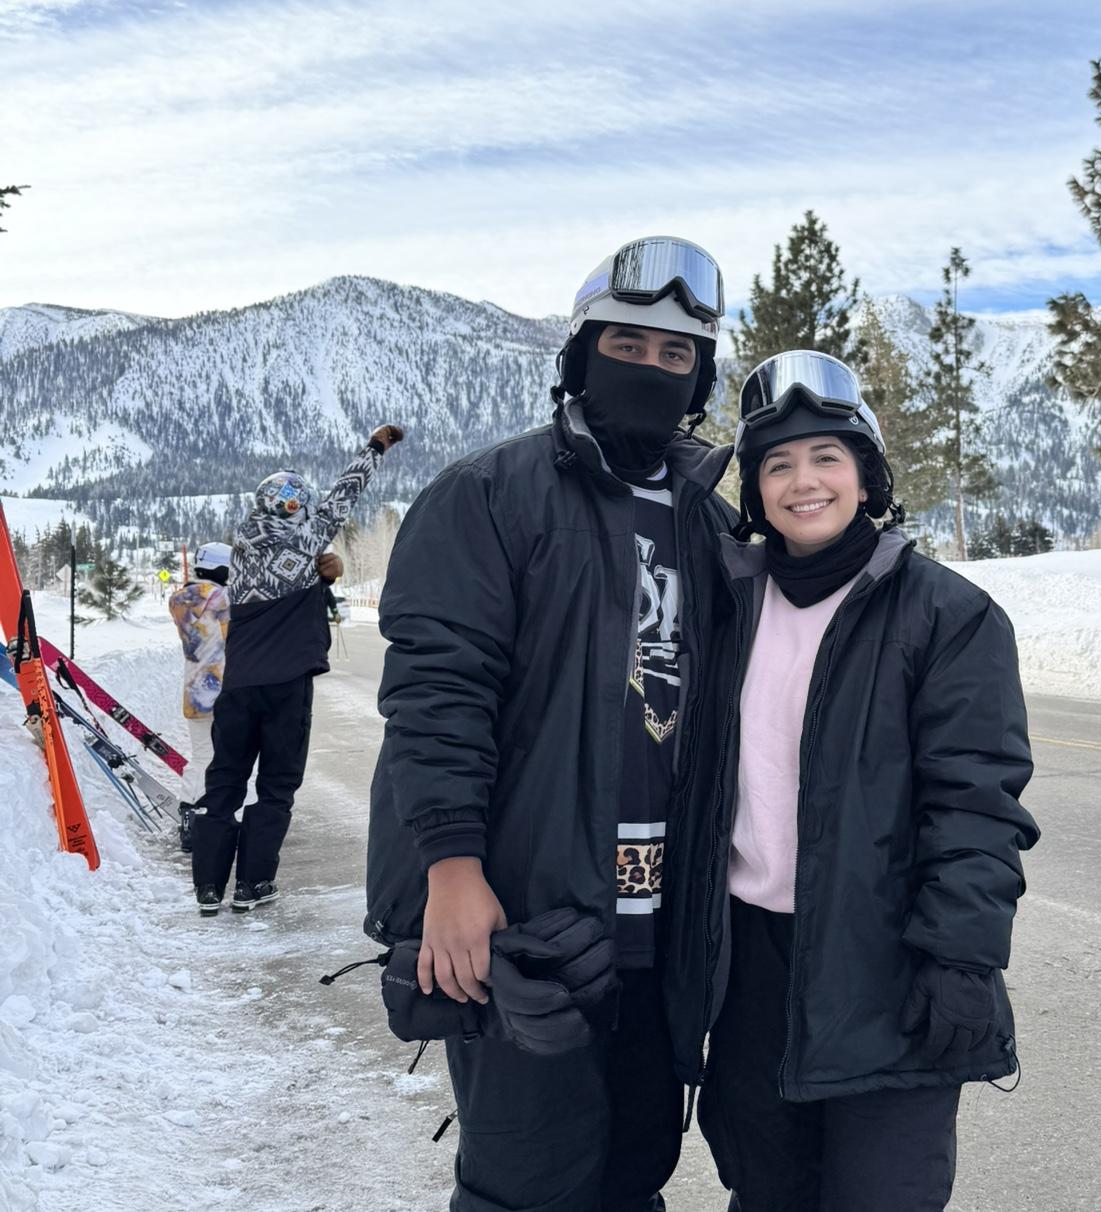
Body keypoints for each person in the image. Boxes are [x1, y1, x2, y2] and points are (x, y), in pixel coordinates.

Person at [365, 236, 734, 1212]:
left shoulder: (709, 521)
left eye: (675, 355)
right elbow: (437, 694)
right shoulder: (491, 495)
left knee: (633, 1172)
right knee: (525, 1186)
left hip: (661, 927)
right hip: (530, 912)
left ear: (699, 381)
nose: (650, 368)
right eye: (626, 345)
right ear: (579, 356)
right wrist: (451, 869)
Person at [661, 351, 1040, 1212]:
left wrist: (961, 958)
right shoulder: (727, 606)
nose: (804, 482)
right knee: (765, 1189)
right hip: (749, 968)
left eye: (826, 457)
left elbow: (975, 805)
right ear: (755, 491)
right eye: (777, 464)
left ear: (867, 477)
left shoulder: (948, 616)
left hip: (886, 965)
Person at [192, 425, 403, 916]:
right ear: (298, 507)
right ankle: (253, 884)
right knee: (276, 786)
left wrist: (321, 575)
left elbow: (289, 582)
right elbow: (345, 494)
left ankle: (208, 887)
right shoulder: (306, 541)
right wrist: (376, 447)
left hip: (238, 686)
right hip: (287, 688)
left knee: (223, 782)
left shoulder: (241, 549)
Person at [167, 541, 232, 852]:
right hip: (224, 687)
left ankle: (189, 813)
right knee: (223, 758)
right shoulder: (223, 599)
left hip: (194, 690)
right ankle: (205, 816)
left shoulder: (179, 600)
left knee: (202, 754)